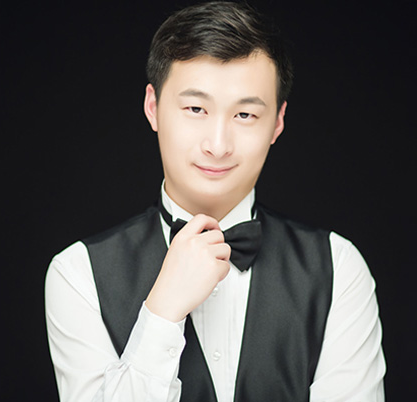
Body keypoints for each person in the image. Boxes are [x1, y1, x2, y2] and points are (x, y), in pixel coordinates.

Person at [45, 2, 386, 401]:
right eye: (196, 109)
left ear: (277, 122)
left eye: (245, 115)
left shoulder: (338, 267)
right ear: (153, 108)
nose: (218, 145)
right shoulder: (78, 274)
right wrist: (162, 312)